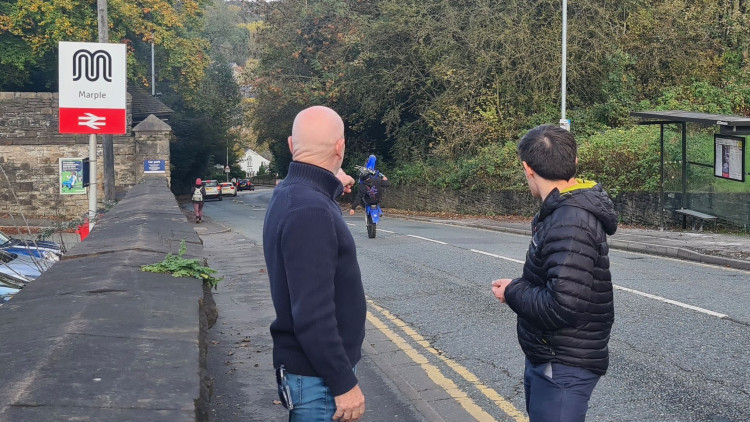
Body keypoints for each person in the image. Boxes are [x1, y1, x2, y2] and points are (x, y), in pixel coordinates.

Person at [491, 124, 618, 422]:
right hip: (550, 356)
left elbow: (563, 305)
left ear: (527, 168)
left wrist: (512, 291)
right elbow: (560, 283)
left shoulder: (570, 220)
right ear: (574, 163)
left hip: (563, 364)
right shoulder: (560, 211)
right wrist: (518, 285)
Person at [263, 106, 366, 422]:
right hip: (318, 382)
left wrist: (333, 181)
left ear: (292, 145)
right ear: (341, 147)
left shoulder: (291, 194)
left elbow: (313, 187)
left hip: (310, 375)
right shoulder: (311, 210)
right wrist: (343, 382)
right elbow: (312, 314)